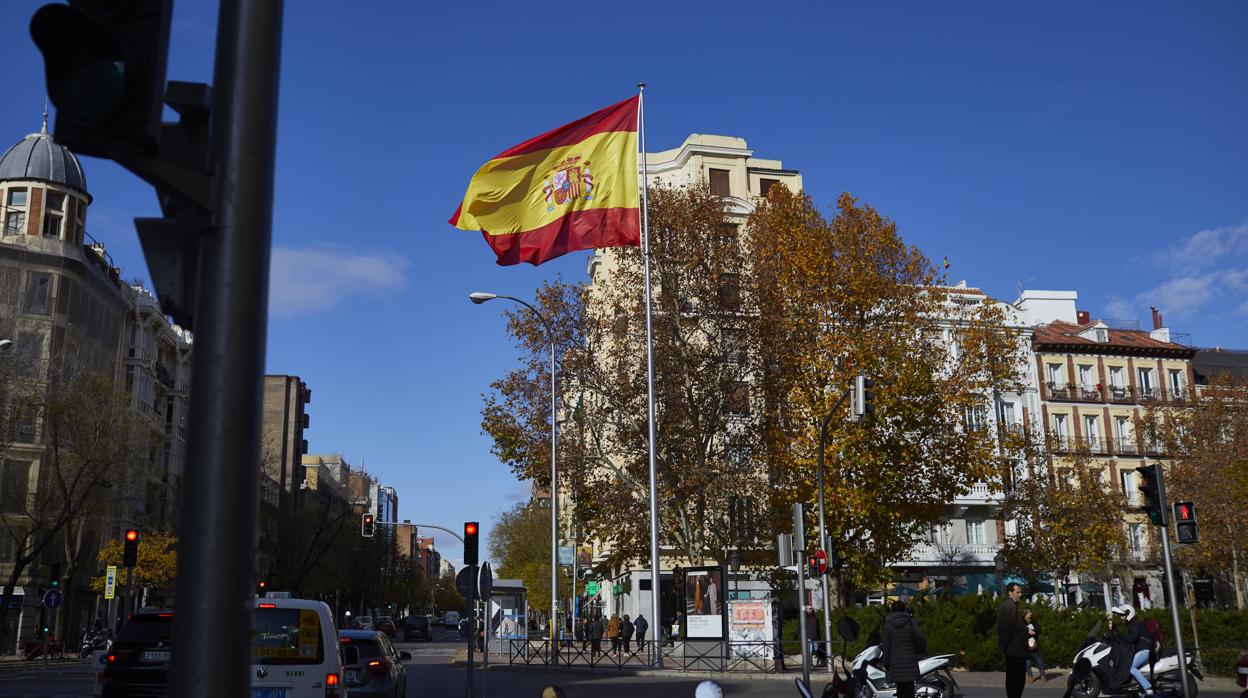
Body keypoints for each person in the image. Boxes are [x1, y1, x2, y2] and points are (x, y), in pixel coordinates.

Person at [881, 600, 927, 698]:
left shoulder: (888, 625)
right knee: (910, 688)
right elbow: (920, 639)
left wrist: (885, 662)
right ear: (904, 609)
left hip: (895, 661)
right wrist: (919, 651)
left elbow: (886, 645)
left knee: (900, 688)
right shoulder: (910, 623)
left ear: (892, 610)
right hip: (909, 659)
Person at [1110, 604, 1154, 696]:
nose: (1121, 617)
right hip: (1142, 650)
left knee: (1131, 668)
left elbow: (1130, 639)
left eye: (1122, 615)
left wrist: (1117, 634)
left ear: (1128, 614)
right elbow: (1128, 641)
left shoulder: (1136, 624)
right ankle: (1142, 690)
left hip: (1145, 650)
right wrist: (1115, 635)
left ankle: (1148, 687)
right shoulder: (1133, 624)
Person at [997, 582, 1029, 698]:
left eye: (1020, 592)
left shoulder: (1010, 605)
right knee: (1017, 681)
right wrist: (1003, 647)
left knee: (1013, 680)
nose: (1020, 595)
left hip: (1014, 651)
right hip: (1015, 652)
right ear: (1010, 593)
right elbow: (1006, 629)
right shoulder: (1010, 606)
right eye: (1018, 592)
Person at [1024, 607, 1046, 683]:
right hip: (1026, 644)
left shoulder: (1033, 620)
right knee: (1027, 660)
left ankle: (1043, 675)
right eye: (1029, 612)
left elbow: (1039, 628)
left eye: (1030, 612)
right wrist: (1027, 632)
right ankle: (1030, 676)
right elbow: (1019, 630)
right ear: (1025, 613)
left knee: (1039, 658)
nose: (1030, 614)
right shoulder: (1021, 621)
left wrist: (1035, 632)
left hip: (1035, 643)